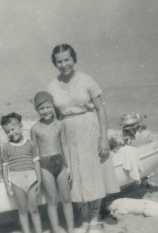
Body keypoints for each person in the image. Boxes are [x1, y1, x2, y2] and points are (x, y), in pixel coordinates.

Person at [47, 44, 119, 233]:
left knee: (93, 173)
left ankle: (94, 219)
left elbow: (101, 109)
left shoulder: (87, 80)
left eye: (67, 59)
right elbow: (52, 115)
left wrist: (104, 138)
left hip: (89, 128)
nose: (64, 64)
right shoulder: (52, 86)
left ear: (74, 59)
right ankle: (84, 218)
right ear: (55, 63)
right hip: (67, 132)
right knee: (75, 176)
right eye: (59, 61)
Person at [31, 91, 74, 233]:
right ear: (37, 110)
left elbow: (65, 145)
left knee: (66, 199)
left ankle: (71, 229)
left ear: (53, 107)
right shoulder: (35, 128)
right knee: (52, 200)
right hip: (45, 166)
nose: (45, 111)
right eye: (41, 108)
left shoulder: (60, 125)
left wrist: (69, 167)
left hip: (60, 163)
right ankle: (55, 229)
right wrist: (38, 175)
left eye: (48, 107)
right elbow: (35, 154)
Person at [0, 112, 43, 233]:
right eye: (7, 132)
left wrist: (39, 180)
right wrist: (7, 186)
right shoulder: (6, 147)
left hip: (32, 179)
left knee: (34, 209)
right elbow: (5, 167)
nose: (11, 133)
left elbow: (36, 163)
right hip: (16, 180)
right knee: (22, 210)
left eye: (13, 129)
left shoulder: (31, 144)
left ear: (20, 126)